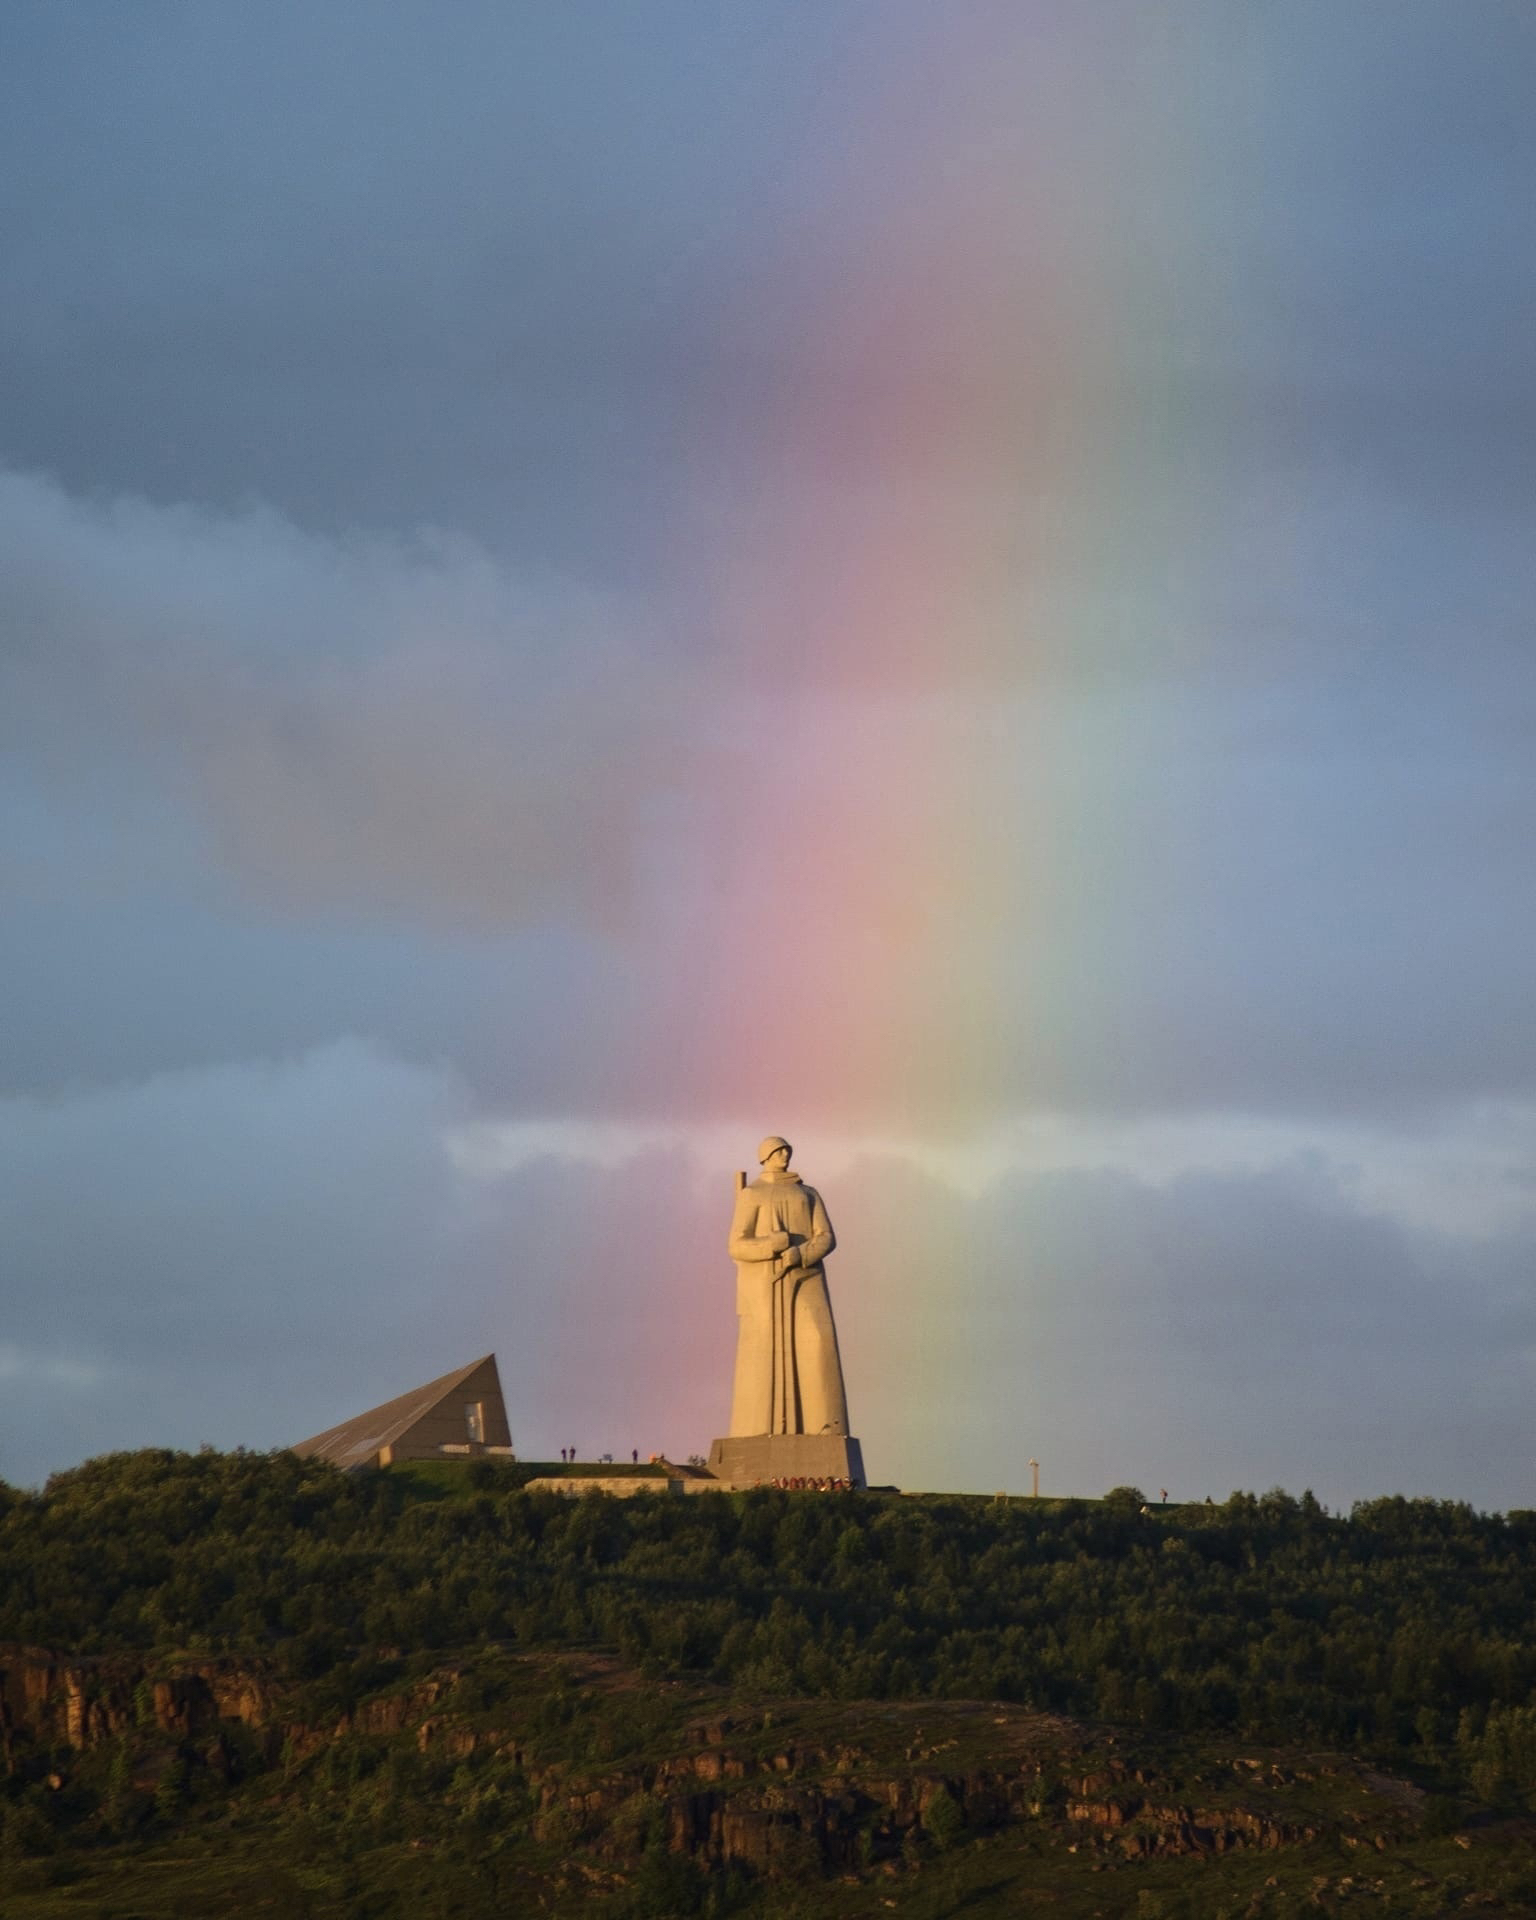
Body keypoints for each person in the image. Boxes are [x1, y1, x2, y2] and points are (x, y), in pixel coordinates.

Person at [727, 1135, 849, 1438]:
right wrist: (771, 1245)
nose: (784, 1155)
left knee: (818, 1344)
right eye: (778, 1151)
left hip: (806, 1278)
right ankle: (759, 1429)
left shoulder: (808, 1193)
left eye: (786, 1150)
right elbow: (736, 1245)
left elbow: (827, 1236)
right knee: (764, 1353)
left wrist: (800, 1253)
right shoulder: (752, 1194)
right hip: (766, 1285)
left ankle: (825, 1430)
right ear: (765, 1157)